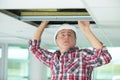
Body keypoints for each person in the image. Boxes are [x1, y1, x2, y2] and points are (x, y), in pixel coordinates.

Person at [29, 21, 112, 80]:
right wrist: (43, 23)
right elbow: (34, 48)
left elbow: (104, 57)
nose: (66, 37)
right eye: (63, 34)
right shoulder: (52, 59)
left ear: (75, 41)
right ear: (56, 41)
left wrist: (86, 30)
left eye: (70, 35)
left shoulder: (82, 55)